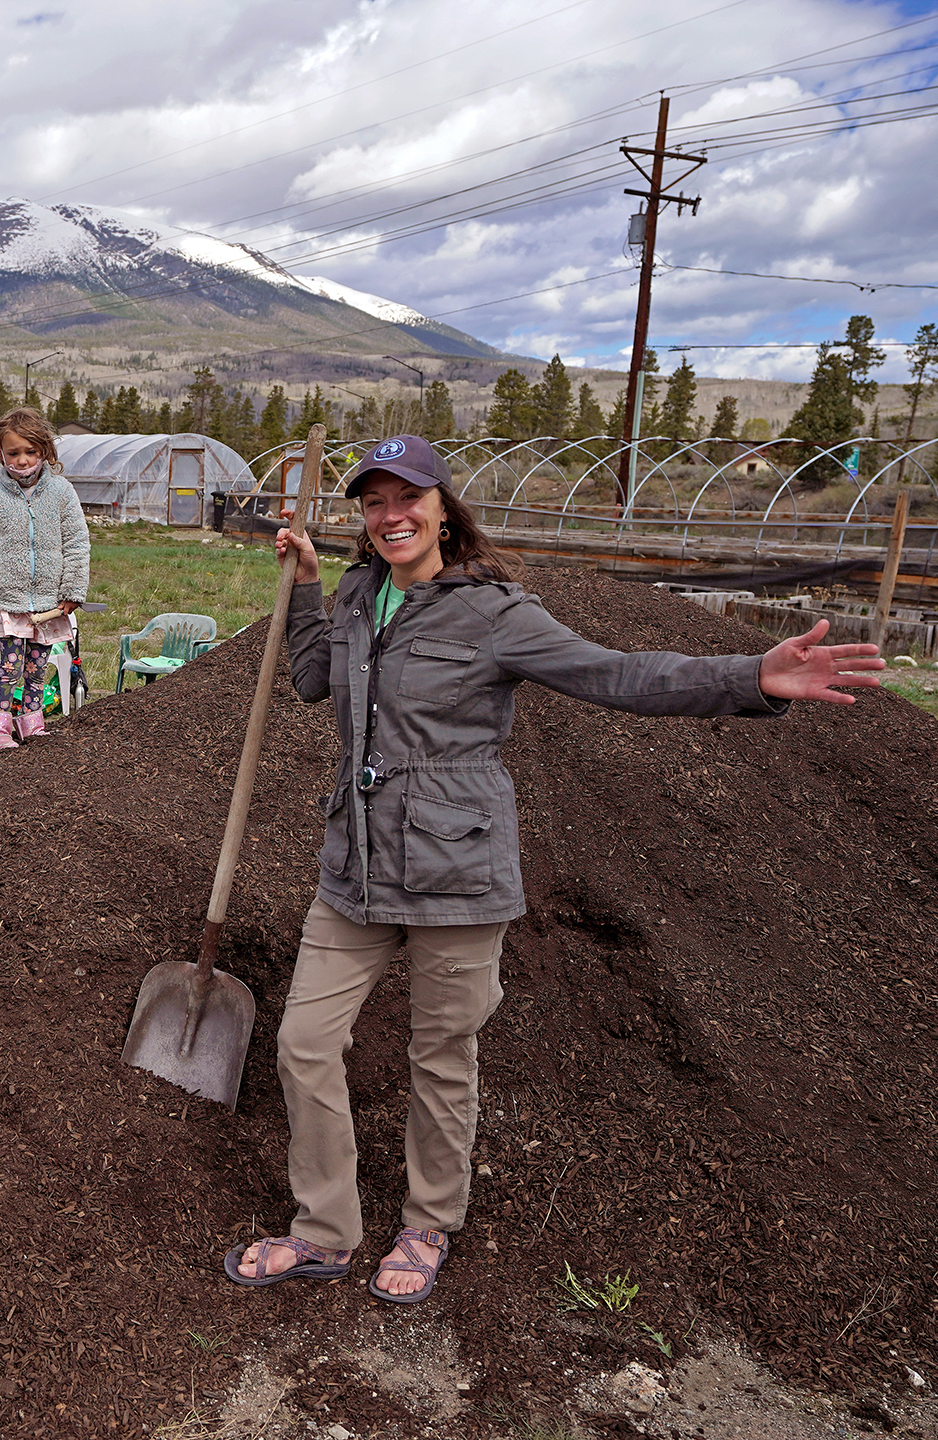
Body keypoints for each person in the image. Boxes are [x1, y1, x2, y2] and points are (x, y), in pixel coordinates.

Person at [232, 434, 883, 1303]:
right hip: (354, 867)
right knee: (303, 1044)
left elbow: (616, 675)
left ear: (441, 507)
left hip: (456, 870)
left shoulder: (495, 612)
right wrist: (309, 583)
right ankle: (324, 1231)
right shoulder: (358, 593)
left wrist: (749, 677)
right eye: (374, 502)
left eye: (406, 498)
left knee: (441, 1055)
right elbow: (312, 683)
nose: (391, 516)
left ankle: (426, 1224)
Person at [0, 407, 90, 751]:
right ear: (0, 453)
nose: (22, 460)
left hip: (48, 603)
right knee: (10, 666)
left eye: (30, 452)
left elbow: (77, 543)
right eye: (13, 452)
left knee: (37, 667)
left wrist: (73, 590)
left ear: (44, 451)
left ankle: (32, 723)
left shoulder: (61, 492)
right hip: (10, 601)